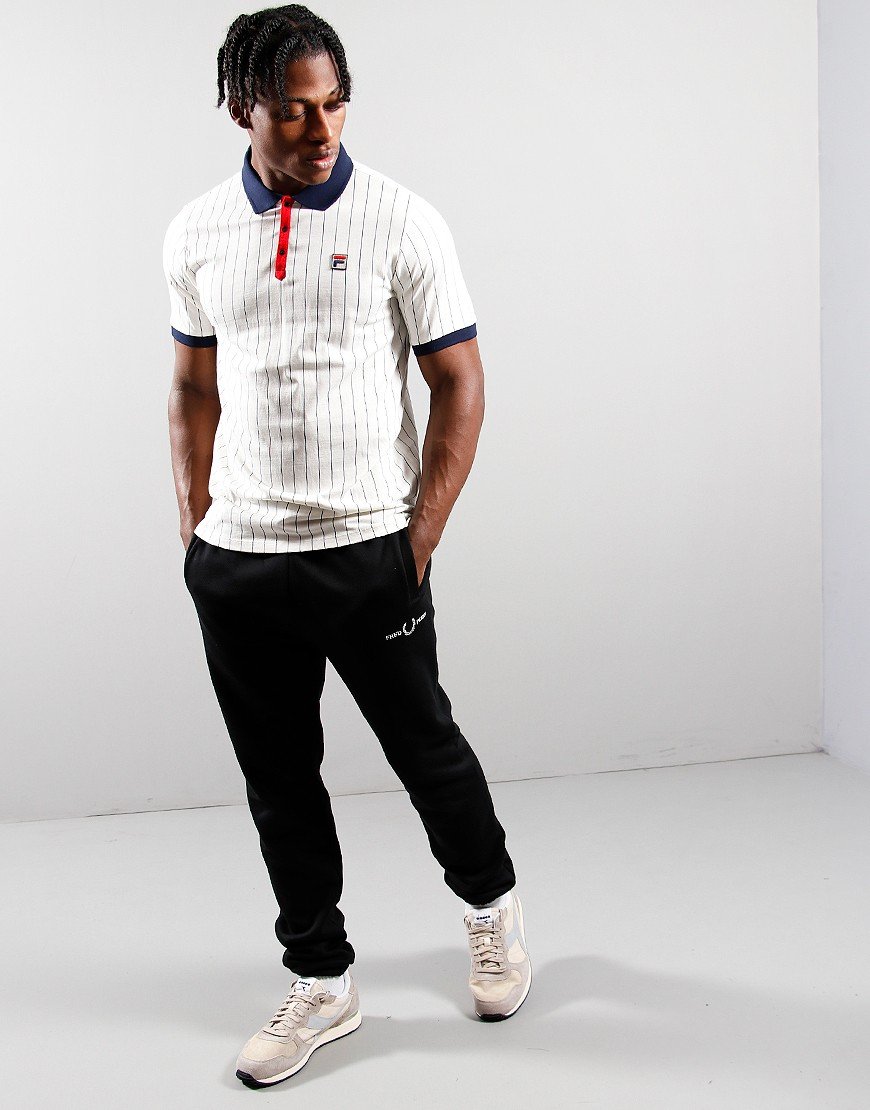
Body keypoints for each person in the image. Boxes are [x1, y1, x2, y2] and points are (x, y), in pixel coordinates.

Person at [162, 3, 531, 1088]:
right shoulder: (194, 233)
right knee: (280, 783)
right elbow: (191, 387)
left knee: (428, 752)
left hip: (369, 553)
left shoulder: (402, 221)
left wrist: (419, 537)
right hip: (241, 563)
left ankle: (492, 911)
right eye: (293, 110)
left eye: (333, 105)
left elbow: (459, 380)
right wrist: (196, 530)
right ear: (243, 109)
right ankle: (322, 979)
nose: (321, 130)